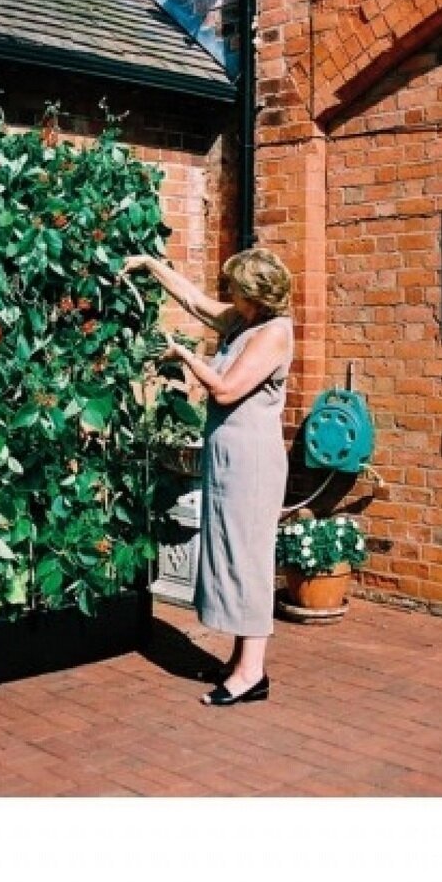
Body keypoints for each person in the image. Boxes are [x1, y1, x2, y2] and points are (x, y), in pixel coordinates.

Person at [123, 247, 294, 706]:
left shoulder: (273, 333)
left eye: (235, 287)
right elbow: (194, 301)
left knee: (248, 560)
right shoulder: (243, 321)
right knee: (232, 554)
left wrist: (183, 355)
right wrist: (151, 265)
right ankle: (240, 662)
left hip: (252, 463)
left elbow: (225, 389)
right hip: (229, 458)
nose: (228, 293)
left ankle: (252, 673)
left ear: (254, 293)